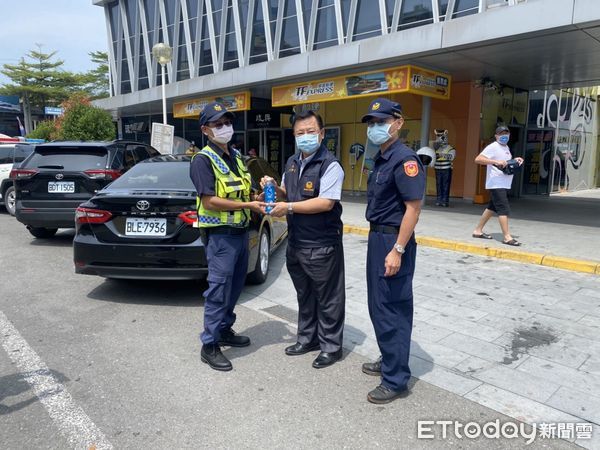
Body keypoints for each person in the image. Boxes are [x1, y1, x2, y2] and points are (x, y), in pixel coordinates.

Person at [260, 110, 346, 369]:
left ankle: (331, 346)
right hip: (296, 242)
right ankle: (307, 338)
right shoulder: (292, 162)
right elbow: (288, 192)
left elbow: (325, 203)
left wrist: (288, 208)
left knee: (328, 297)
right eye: (300, 133)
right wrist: (274, 187)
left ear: (321, 134)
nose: (305, 136)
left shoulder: (331, 165)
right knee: (304, 294)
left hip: (322, 243)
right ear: (294, 136)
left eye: (310, 131)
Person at [360, 98, 426, 404]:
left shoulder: (404, 159)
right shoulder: (382, 157)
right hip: (378, 239)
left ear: (398, 122)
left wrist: (397, 249)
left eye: (381, 121)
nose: (375, 128)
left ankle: (397, 378)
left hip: (392, 241)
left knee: (392, 308)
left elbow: (413, 209)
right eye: (371, 123)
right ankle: (390, 360)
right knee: (379, 305)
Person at [189, 102, 264, 372]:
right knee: (219, 290)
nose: (225, 128)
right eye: (218, 124)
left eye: (228, 123)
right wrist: (248, 206)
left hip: (240, 233)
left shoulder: (235, 156)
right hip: (220, 236)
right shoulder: (202, 160)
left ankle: (224, 329)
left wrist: (259, 195)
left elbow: (242, 193)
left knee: (234, 287)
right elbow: (209, 201)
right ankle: (209, 345)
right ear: (205, 129)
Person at [472, 125, 524, 246]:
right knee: (503, 209)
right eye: (501, 134)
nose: (504, 136)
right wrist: (495, 161)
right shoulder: (493, 147)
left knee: (492, 208)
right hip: (496, 183)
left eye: (506, 133)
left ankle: (478, 231)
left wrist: (515, 160)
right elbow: (478, 159)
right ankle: (507, 237)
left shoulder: (506, 148)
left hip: (503, 183)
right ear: (496, 136)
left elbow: (505, 163)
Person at [433, 129, 456, 207]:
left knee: (446, 185)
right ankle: (439, 199)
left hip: (446, 169)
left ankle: (445, 201)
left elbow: (451, 157)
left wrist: (441, 155)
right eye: (438, 137)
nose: (439, 139)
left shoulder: (450, 148)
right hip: (437, 168)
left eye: (442, 137)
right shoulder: (436, 148)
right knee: (438, 185)